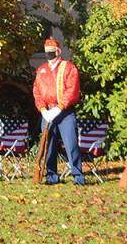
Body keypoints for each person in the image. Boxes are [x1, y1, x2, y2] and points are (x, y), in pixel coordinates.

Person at [33, 38, 84, 185]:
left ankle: (78, 176)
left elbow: (72, 90)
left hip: (65, 112)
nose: (49, 53)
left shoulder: (68, 68)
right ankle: (51, 175)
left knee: (71, 144)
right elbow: (37, 91)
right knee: (48, 144)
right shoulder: (41, 69)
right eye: (47, 51)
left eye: (52, 51)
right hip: (47, 112)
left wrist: (60, 107)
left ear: (58, 51)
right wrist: (43, 109)